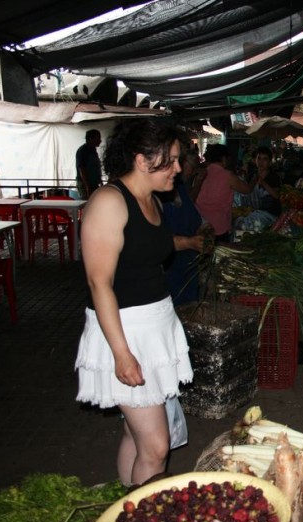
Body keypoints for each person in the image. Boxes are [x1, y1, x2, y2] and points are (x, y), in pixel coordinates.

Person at [74, 118, 205, 487]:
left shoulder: (151, 201)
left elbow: (147, 248)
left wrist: (187, 242)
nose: (179, 169)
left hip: (155, 325)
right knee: (157, 446)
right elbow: (99, 283)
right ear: (143, 160)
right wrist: (121, 353)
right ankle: (141, 516)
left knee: (137, 435)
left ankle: (124, 506)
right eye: (172, 160)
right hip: (125, 331)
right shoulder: (108, 201)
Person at [159, 144, 211, 306]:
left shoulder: (179, 187)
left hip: (188, 265)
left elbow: (193, 215)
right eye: (174, 161)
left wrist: (205, 227)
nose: (178, 168)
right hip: (171, 267)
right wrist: (188, 242)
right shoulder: (157, 193)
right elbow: (155, 239)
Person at [195, 143, 254, 242]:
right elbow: (247, 190)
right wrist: (255, 180)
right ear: (224, 159)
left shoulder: (202, 172)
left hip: (201, 223)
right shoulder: (227, 176)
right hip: (218, 226)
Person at [235, 146, 282, 231]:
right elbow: (247, 191)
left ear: (270, 162)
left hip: (270, 214)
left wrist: (263, 183)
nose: (261, 162)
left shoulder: (274, 177)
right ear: (255, 160)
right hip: (254, 212)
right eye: (259, 158)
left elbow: (277, 196)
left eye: (265, 159)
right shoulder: (252, 175)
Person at [76, 129, 103, 199]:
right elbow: (81, 168)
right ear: (90, 139)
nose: (100, 141)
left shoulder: (93, 150)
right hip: (86, 184)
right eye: (98, 138)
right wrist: (87, 186)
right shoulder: (83, 151)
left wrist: (100, 180)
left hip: (94, 183)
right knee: (87, 204)